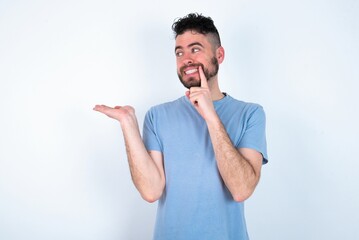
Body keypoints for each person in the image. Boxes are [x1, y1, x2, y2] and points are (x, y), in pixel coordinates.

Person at [94, 12, 268, 240]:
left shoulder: (250, 113)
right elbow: (151, 191)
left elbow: (241, 190)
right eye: (179, 52)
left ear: (219, 54)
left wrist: (211, 116)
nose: (186, 58)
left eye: (195, 49)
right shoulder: (158, 115)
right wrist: (128, 125)